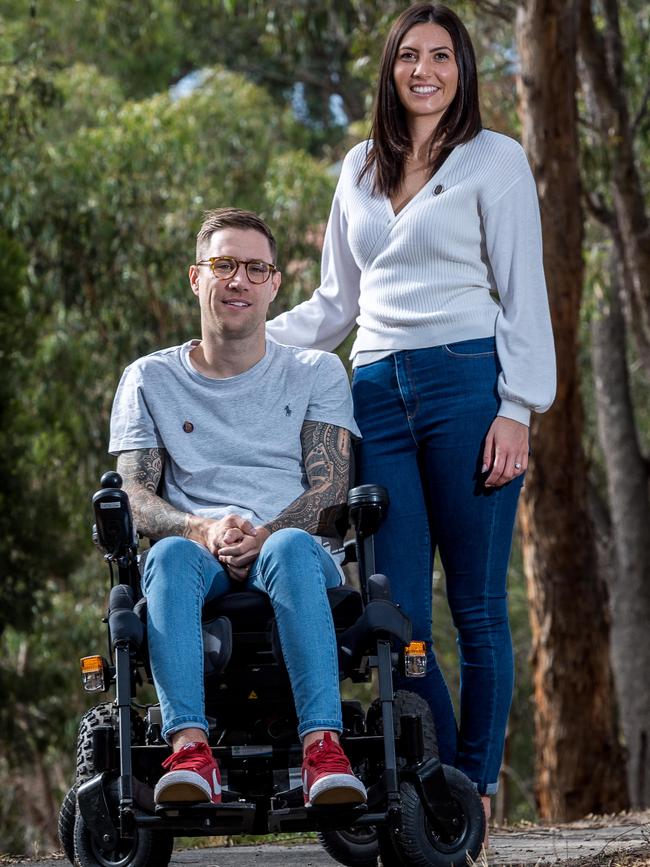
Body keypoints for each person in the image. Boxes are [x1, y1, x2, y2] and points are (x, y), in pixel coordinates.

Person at [266, 1, 556, 841]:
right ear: (389, 68)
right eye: (408, 56)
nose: (424, 70)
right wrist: (243, 341)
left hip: (470, 383)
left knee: (476, 605)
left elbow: (523, 290)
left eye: (441, 56)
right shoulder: (358, 167)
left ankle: (473, 784)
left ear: (462, 69)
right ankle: (431, 779)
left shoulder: (495, 160)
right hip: (373, 391)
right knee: (391, 609)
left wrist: (517, 408)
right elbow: (334, 303)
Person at [109, 207, 367, 809]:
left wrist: (268, 531)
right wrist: (199, 526)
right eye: (224, 265)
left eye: (255, 268)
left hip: (296, 552)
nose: (238, 280)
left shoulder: (317, 371)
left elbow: (330, 490)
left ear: (275, 283)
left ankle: (323, 748)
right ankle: (191, 752)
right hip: (197, 557)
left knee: (287, 545)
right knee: (168, 555)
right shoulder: (149, 378)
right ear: (196, 278)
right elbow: (133, 496)